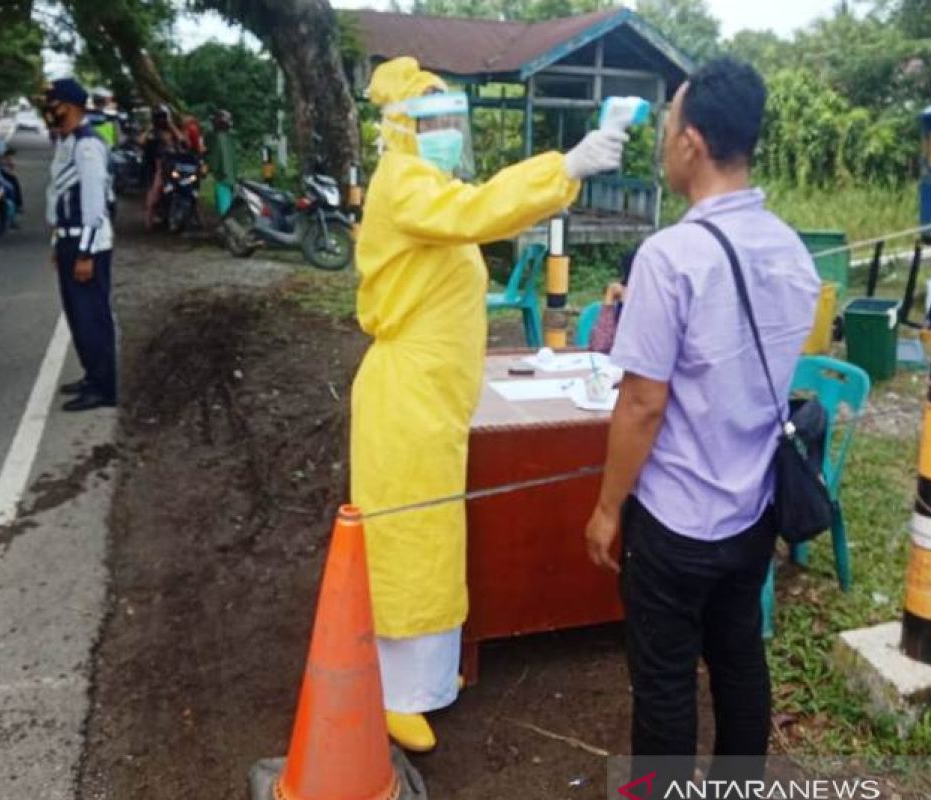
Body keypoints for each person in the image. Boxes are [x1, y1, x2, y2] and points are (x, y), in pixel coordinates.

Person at [351, 56, 625, 753]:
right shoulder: (406, 186)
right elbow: (481, 211)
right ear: (402, 130)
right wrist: (565, 167)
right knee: (408, 540)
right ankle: (393, 692)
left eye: (452, 122)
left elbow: (472, 210)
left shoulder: (427, 184)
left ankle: (427, 680)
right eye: (432, 122)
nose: (445, 134)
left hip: (432, 400)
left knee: (434, 538)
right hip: (406, 400)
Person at [582, 58, 819, 791]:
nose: (663, 142)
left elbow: (643, 404)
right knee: (740, 657)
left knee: (663, 682)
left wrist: (605, 507)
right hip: (752, 512)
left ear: (691, 142)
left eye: (668, 125)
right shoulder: (792, 251)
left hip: (675, 520)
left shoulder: (669, 257)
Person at [43, 78, 117, 412]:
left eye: (54, 104)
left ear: (70, 106)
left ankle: (104, 387)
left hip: (89, 246)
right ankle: (93, 375)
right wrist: (58, 244)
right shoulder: (67, 141)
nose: (49, 110)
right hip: (70, 242)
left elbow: (93, 206)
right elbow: (59, 198)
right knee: (77, 316)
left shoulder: (87, 146)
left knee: (92, 317)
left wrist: (84, 253)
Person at [143, 104, 185, 230]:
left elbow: (183, 140)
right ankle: (148, 220)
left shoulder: (172, 131)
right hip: (159, 166)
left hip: (174, 164)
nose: (161, 120)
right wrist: (150, 129)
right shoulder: (152, 133)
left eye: (163, 117)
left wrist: (171, 125)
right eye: (159, 117)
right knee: (155, 191)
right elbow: (142, 141)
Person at [206, 109, 239, 217]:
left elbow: (214, 161)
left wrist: (209, 168)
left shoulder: (215, 138)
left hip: (222, 177)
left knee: (225, 208)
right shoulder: (231, 137)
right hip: (232, 176)